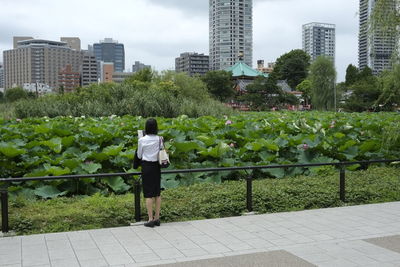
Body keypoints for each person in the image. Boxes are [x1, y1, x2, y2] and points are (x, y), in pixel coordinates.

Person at [137, 118, 162, 228]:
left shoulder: (142, 140)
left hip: (146, 167)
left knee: (148, 194)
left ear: (146, 127)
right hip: (157, 166)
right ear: (156, 127)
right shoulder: (160, 139)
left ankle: (150, 219)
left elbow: (139, 155)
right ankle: (157, 218)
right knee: (157, 193)